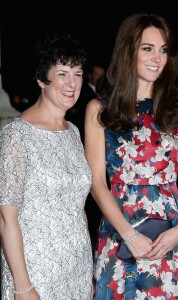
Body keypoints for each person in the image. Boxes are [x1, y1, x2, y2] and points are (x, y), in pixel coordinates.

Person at [84, 13, 178, 299]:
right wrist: (129, 235)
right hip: (121, 228)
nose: (156, 58)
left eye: (162, 50)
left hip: (169, 231)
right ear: (128, 51)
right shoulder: (100, 110)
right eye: (147, 48)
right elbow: (97, 181)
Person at [0, 32, 94, 299]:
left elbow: (77, 208)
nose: (71, 83)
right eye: (63, 73)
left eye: (78, 74)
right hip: (35, 273)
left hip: (76, 267)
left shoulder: (73, 132)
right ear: (42, 79)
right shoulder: (16, 135)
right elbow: (6, 218)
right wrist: (23, 286)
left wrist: (86, 274)